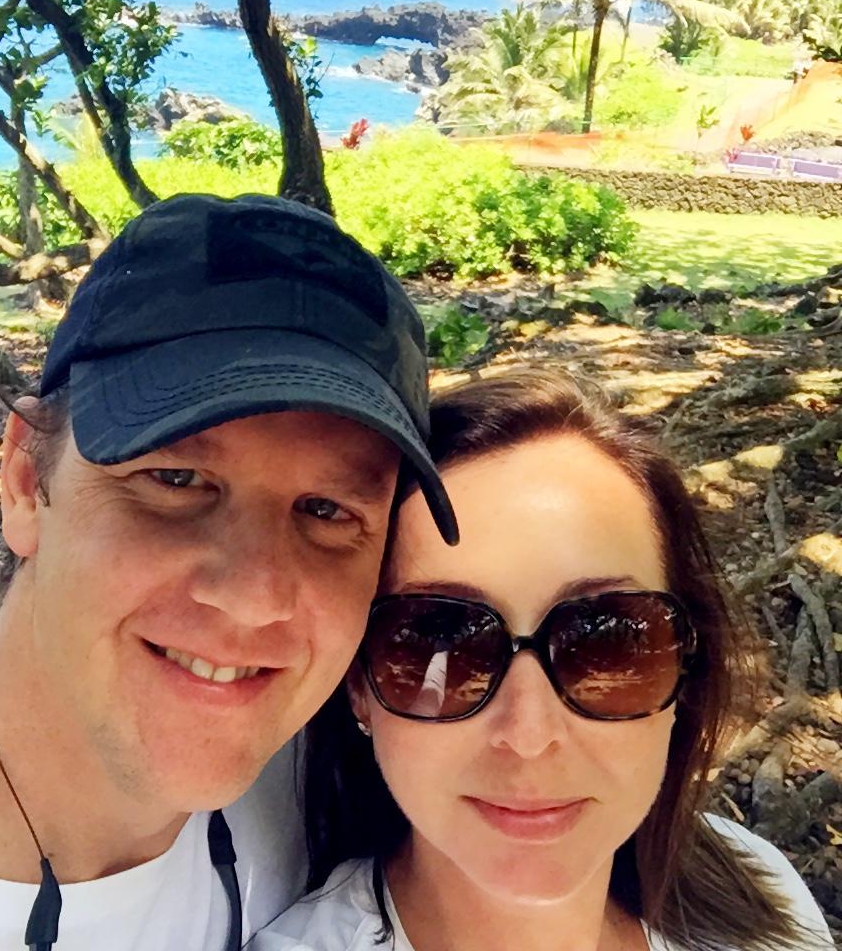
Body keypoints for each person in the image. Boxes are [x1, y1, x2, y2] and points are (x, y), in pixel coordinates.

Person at [0, 193, 458, 951]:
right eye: (176, 480)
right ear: (24, 480)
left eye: (325, 510)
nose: (254, 599)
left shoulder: (345, 781)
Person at [256, 370, 834, 951]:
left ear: (685, 669)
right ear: (359, 685)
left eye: (608, 644)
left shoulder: (758, 892)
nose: (529, 736)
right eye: (441, 644)